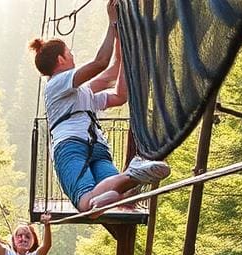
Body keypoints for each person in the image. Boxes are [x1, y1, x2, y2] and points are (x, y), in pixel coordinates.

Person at [30, 0, 170, 213]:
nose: (73, 56)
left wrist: (123, 41)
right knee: (115, 194)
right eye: (70, 53)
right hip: (94, 146)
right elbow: (101, 65)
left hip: (71, 147)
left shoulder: (77, 90)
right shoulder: (59, 83)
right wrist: (113, 24)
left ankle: (131, 174)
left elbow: (116, 87)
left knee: (87, 203)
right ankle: (130, 175)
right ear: (61, 59)